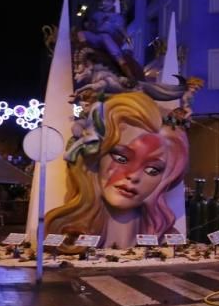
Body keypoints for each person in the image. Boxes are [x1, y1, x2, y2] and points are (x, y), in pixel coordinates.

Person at [45, 91, 188, 250]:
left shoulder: (167, 240)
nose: (133, 176)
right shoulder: (66, 234)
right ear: (97, 157)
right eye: (121, 158)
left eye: (152, 170)